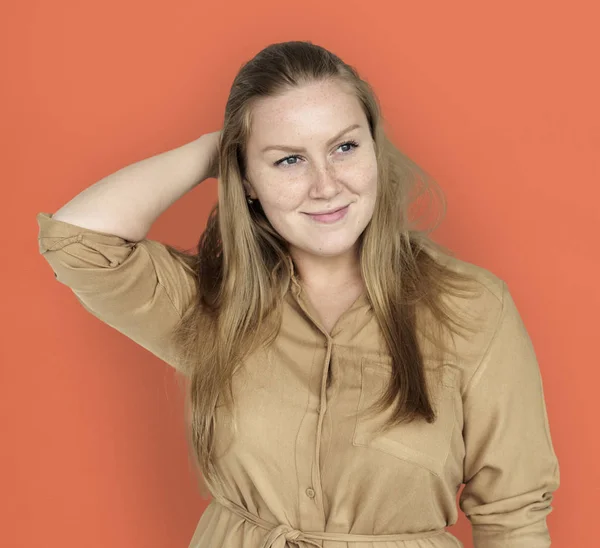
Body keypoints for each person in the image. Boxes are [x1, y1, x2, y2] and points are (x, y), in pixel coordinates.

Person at [37, 41, 560, 548]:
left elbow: (513, 516)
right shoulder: (214, 301)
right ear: (246, 178)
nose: (326, 185)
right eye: (289, 160)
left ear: (375, 150)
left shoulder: (472, 306)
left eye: (345, 147)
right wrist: (214, 151)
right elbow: (78, 241)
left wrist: (269, 151)